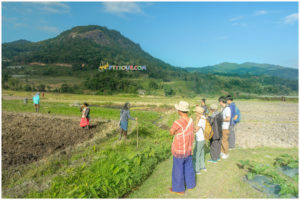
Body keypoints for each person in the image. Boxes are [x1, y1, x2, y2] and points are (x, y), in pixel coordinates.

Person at [169, 101, 195, 195]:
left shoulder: (178, 122)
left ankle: (179, 189)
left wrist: (172, 131)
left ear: (180, 111)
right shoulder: (191, 120)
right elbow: (191, 133)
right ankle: (190, 185)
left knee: (178, 169)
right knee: (188, 167)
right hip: (188, 148)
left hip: (180, 149)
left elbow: (171, 132)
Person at [193, 106, 207, 174]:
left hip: (199, 138)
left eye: (195, 111)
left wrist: (196, 121)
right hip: (203, 138)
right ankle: (203, 166)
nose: (195, 113)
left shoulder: (200, 120)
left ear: (198, 112)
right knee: (202, 152)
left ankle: (197, 169)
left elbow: (196, 129)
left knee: (197, 153)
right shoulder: (204, 118)